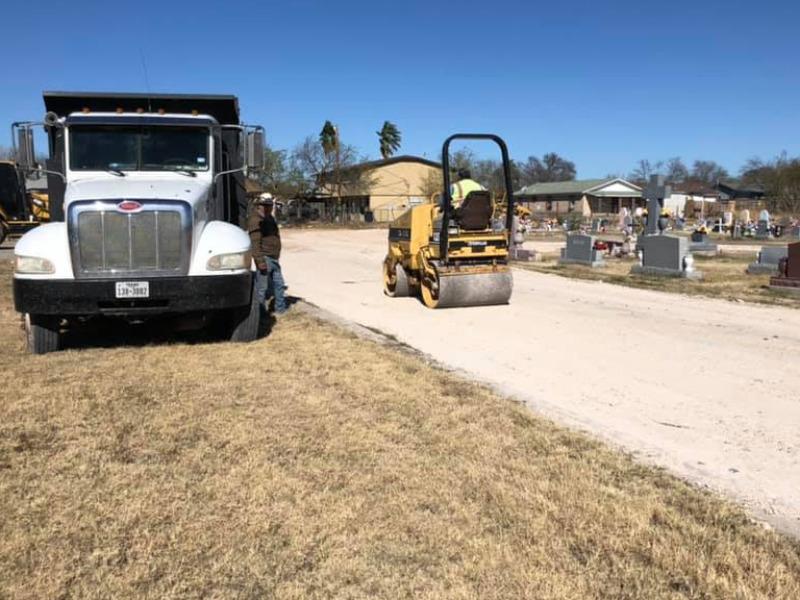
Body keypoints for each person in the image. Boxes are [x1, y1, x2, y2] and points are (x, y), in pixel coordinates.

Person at [247, 193, 287, 315]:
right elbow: (255, 243)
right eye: (265, 205)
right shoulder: (256, 221)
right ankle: (260, 314)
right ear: (259, 205)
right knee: (262, 288)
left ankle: (280, 309)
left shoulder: (269, 218)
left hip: (274, 257)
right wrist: (260, 261)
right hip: (265, 258)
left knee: (279, 284)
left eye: (269, 205)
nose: (268, 208)